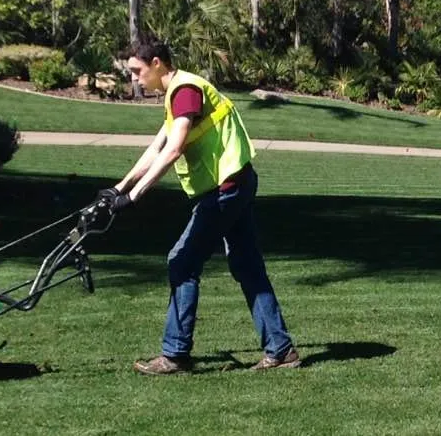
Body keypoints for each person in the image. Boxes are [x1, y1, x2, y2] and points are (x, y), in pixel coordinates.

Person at [97, 40, 299, 375]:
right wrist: (119, 187)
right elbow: (156, 147)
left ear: (157, 63)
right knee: (247, 266)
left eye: (136, 70)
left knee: (182, 261)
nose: (133, 78)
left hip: (225, 189)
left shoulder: (186, 91)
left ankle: (175, 355)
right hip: (235, 182)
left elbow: (173, 150)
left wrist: (134, 197)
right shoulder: (178, 92)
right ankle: (281, 350)